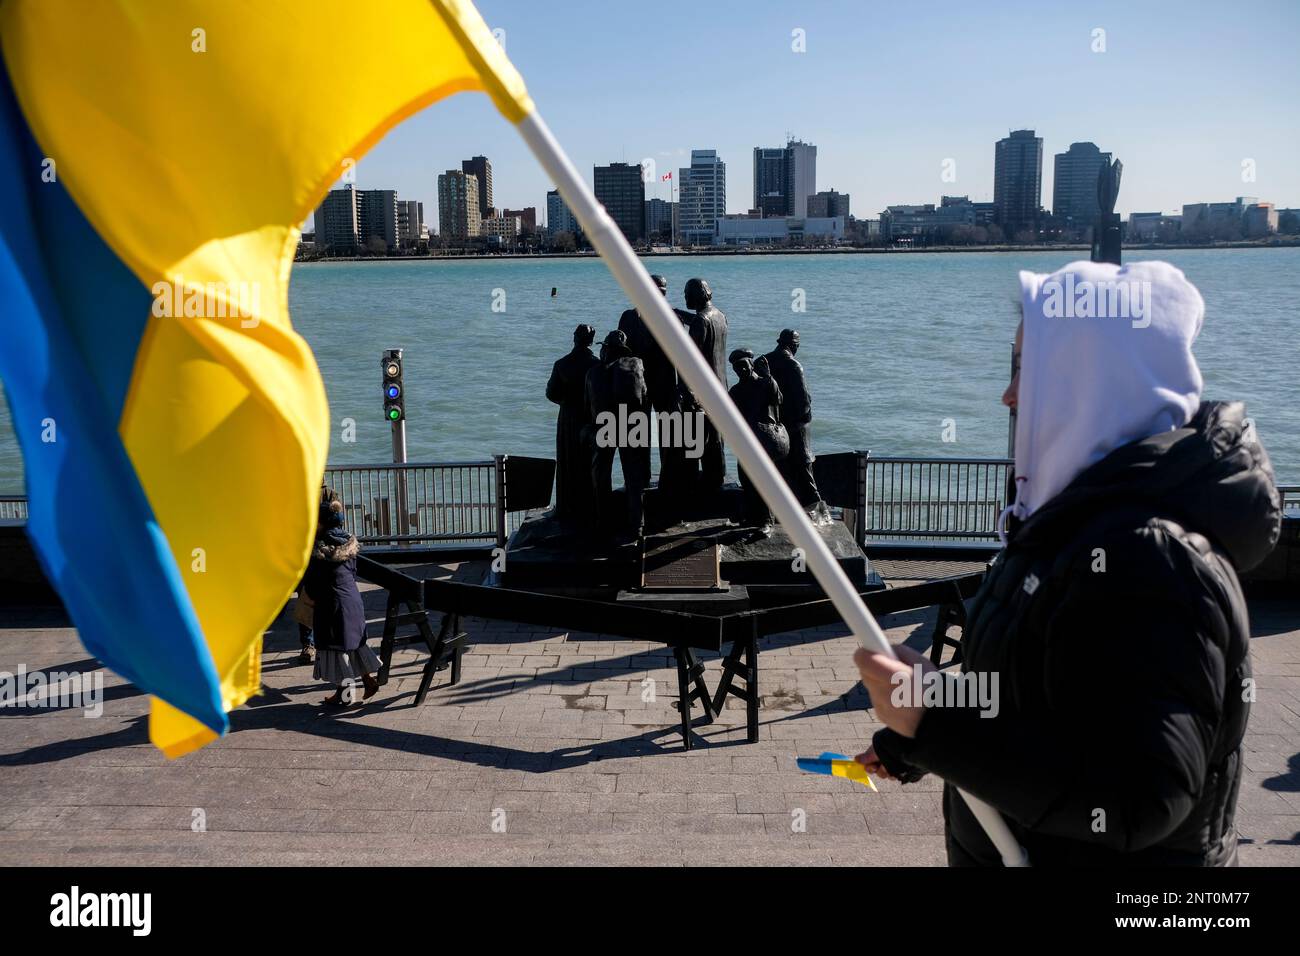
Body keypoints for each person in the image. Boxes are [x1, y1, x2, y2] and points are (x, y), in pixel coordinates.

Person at [855, 260, 1281, 866]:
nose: (1007, 395)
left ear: (1091, 384)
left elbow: (1139, 798)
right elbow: (1034, 704)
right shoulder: (1067, 523)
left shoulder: (1149, 558)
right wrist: (921, 730)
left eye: (1026, 370)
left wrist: (933, 725)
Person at [619, 275, 686, 519]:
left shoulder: (675, 319)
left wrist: (681, 388)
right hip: (637, 386)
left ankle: (669, 479)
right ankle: (641, 479)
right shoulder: (629, 317)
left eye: (664, 291)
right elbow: (621, 356)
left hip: (666, 384)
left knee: (671, 435)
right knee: (638, 434)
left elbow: (683, 357)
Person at [307, 490, 381, 706]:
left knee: (338, 651)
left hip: (332, 604)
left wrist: (310, 596)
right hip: (352, 600)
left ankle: (346, 696)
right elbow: (353, 571)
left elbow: (313, 582)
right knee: (353, 645)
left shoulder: (320, 550)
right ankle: (368, 682)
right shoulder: (349, 542)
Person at [585, 329, 651, 537]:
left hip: (603, 426)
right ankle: (637, 523)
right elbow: (643, 396)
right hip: (630, 424)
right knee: (633, 476)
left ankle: (603, 520)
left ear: (606, 350)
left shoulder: (593, 372)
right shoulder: (636, 365)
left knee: (601, 474)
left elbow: (587, 405)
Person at [546, 324, 600, 528]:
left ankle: (566, 505)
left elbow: (551, 393)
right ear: (591, 341)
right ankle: (588, 505)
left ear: (574, 338)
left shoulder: (561, 364)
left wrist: (564, 402)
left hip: (568, 417)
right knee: (588, 462)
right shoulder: (595, 364)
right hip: (589, 418)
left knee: (567, 461)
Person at [728, 349, 788, 530]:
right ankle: (751, 517)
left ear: (751, 364)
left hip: (764, 441)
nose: (741, 370)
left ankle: (766, 521)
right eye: (737, 368)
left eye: (744, 366)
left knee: (764, 481)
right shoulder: (736, 390)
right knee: (746, 480)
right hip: (746, 442)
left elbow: (778, 398)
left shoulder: (765, 384)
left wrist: (769, 376)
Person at [764, 329, 821, 508]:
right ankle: (814, 503)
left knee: (779, 466)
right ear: (793, 345)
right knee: (804, 465)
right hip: (795, 425)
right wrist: (806, 418)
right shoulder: (794, 365)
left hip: (774, 424)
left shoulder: (764, 361)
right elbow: (803, 401)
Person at [683, 278, 728, 494]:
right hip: (720, 385)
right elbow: (704, 323)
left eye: (686, 294)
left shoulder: (701, 321)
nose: (685, 298)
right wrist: (679, 315)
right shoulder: (720, 316)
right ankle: (717, 475)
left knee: (699, 437)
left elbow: (690, 359)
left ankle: (698, 481)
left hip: (703, 390)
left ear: (696, 295)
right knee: (716, 437)